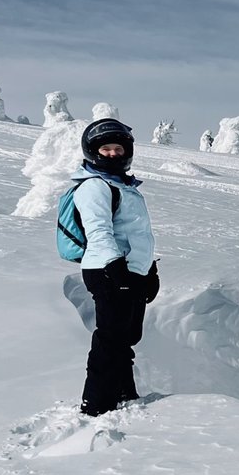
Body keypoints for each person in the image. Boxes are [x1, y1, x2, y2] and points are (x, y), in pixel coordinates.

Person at [73, 119, 159, 416]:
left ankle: (123, 393)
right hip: (108, 269)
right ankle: (96, 404)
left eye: (117, 149)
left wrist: (148, 270)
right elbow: (99, 230)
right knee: (110, 338)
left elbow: (136, 235)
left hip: (129, 269)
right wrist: (114, 267)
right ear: (93, 151)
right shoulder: (94, 186)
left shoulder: (123, 187)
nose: (112, 153)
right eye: (105, 149)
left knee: (125, 338)